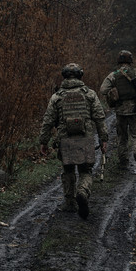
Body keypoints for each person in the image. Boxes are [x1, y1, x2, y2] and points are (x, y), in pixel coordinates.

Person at [39, 63, 108, 219]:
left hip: (65, 140)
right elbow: (99, 117)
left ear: (64, 76)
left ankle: (70, 203)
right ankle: (82, 192)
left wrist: (44, 141)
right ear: (80, 76)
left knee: (68, 170)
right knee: (86, 171)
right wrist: (104, 139)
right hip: (85, 139)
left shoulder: (57, 97)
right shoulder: (89, 94)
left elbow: (48, 121)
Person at [99, 50, 136, 171]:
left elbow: (103, 89)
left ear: (118, 61)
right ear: (131, 60)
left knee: (122, 137)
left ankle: (123, 161)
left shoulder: (114, 75)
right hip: (135, 109)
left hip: (120, 111)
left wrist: (114, 92)